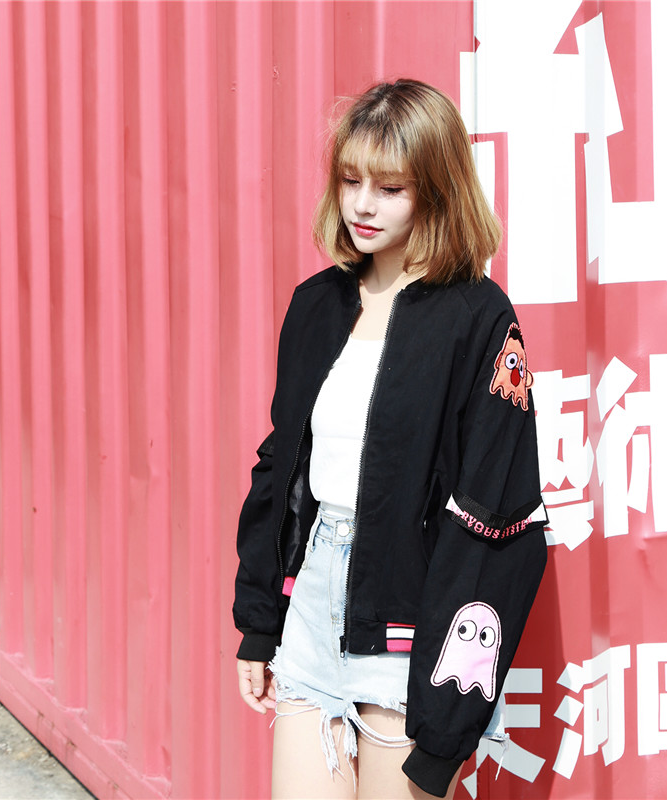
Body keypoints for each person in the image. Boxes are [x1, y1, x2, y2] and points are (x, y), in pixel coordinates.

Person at [234, 78, 548, 800]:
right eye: (351, 181)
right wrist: (259, 618)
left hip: (415, 624)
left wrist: (447, 726)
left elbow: (497, 517)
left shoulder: (479, 319)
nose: (363, 206)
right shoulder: (317, 304)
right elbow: (282, 467)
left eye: (390, 188)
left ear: (436, 189)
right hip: (313, 607)